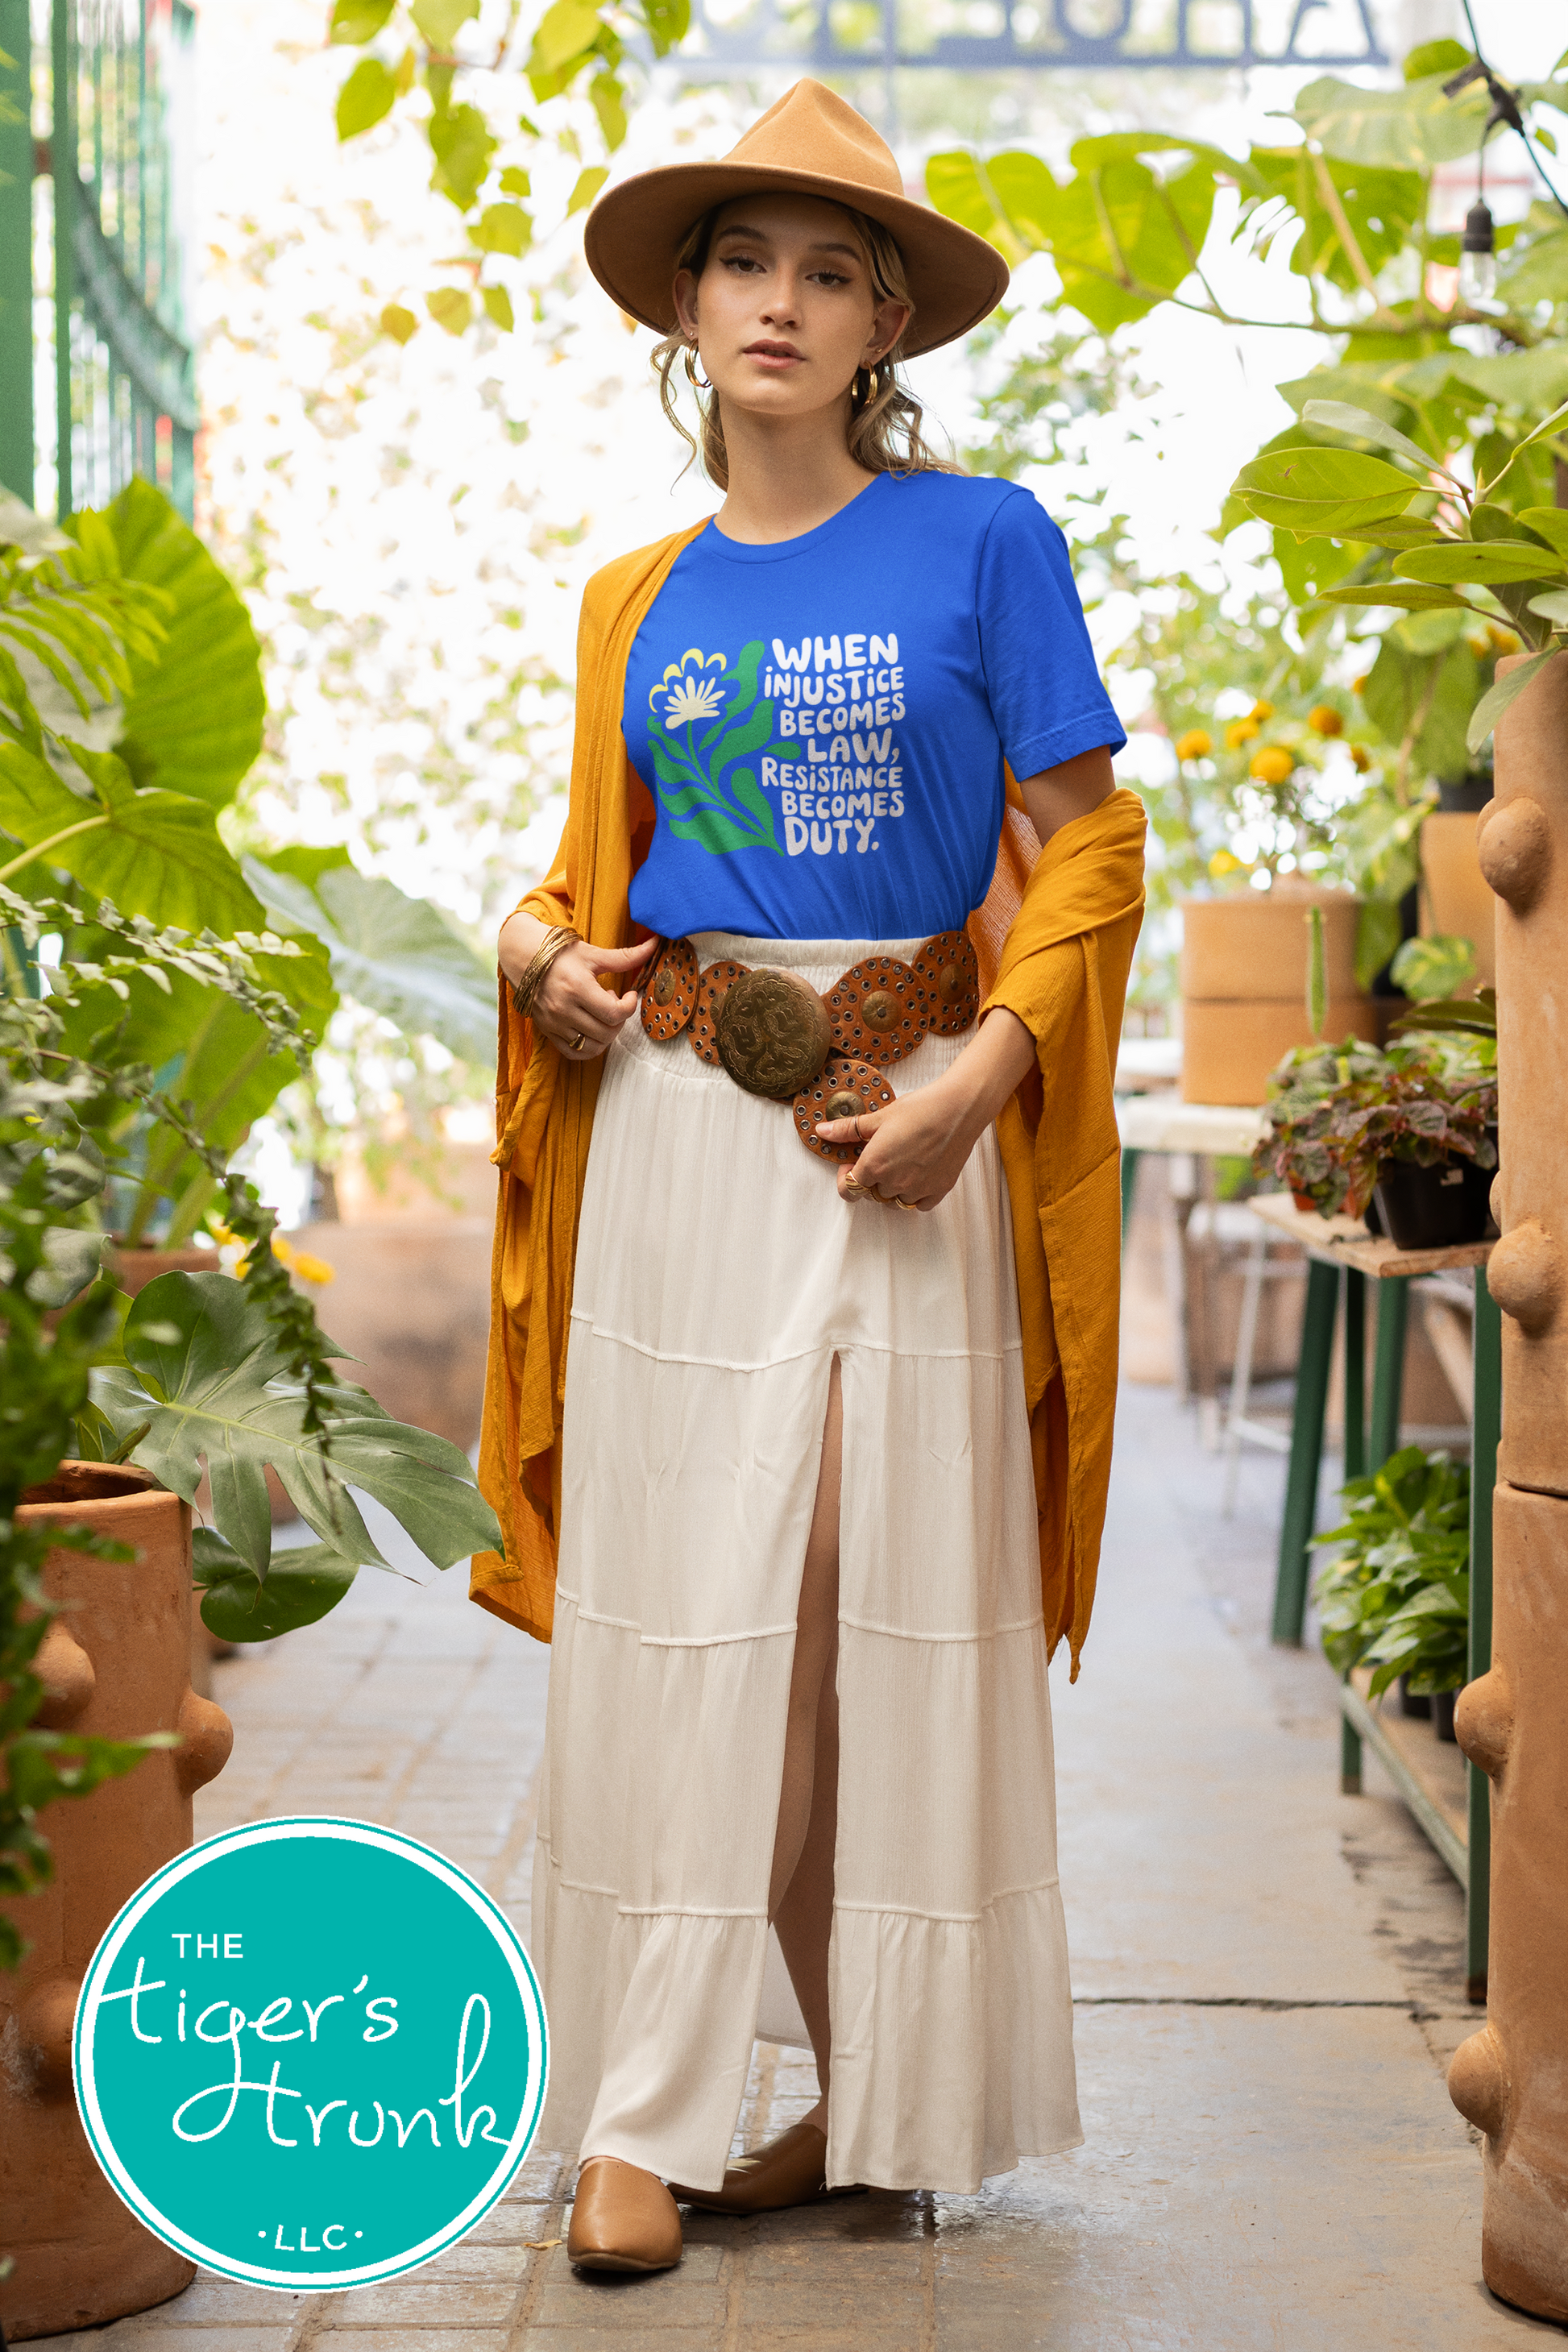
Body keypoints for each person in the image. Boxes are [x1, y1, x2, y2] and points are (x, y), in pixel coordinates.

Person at [474, 79, 1147, 2275]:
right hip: (685, 1135)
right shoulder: (629, 597)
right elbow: (585, 882)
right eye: (744, 259)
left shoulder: (987, 544)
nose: (780, 299)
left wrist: (989, 1072)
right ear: (685, 305)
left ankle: (869, 2092)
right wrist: (532, 957)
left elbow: (1094, 841)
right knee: (710, 1630)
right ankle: (659, 2107)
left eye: (830, 269)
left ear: (883, 329)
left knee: (858, 1607)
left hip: (910, 1131)